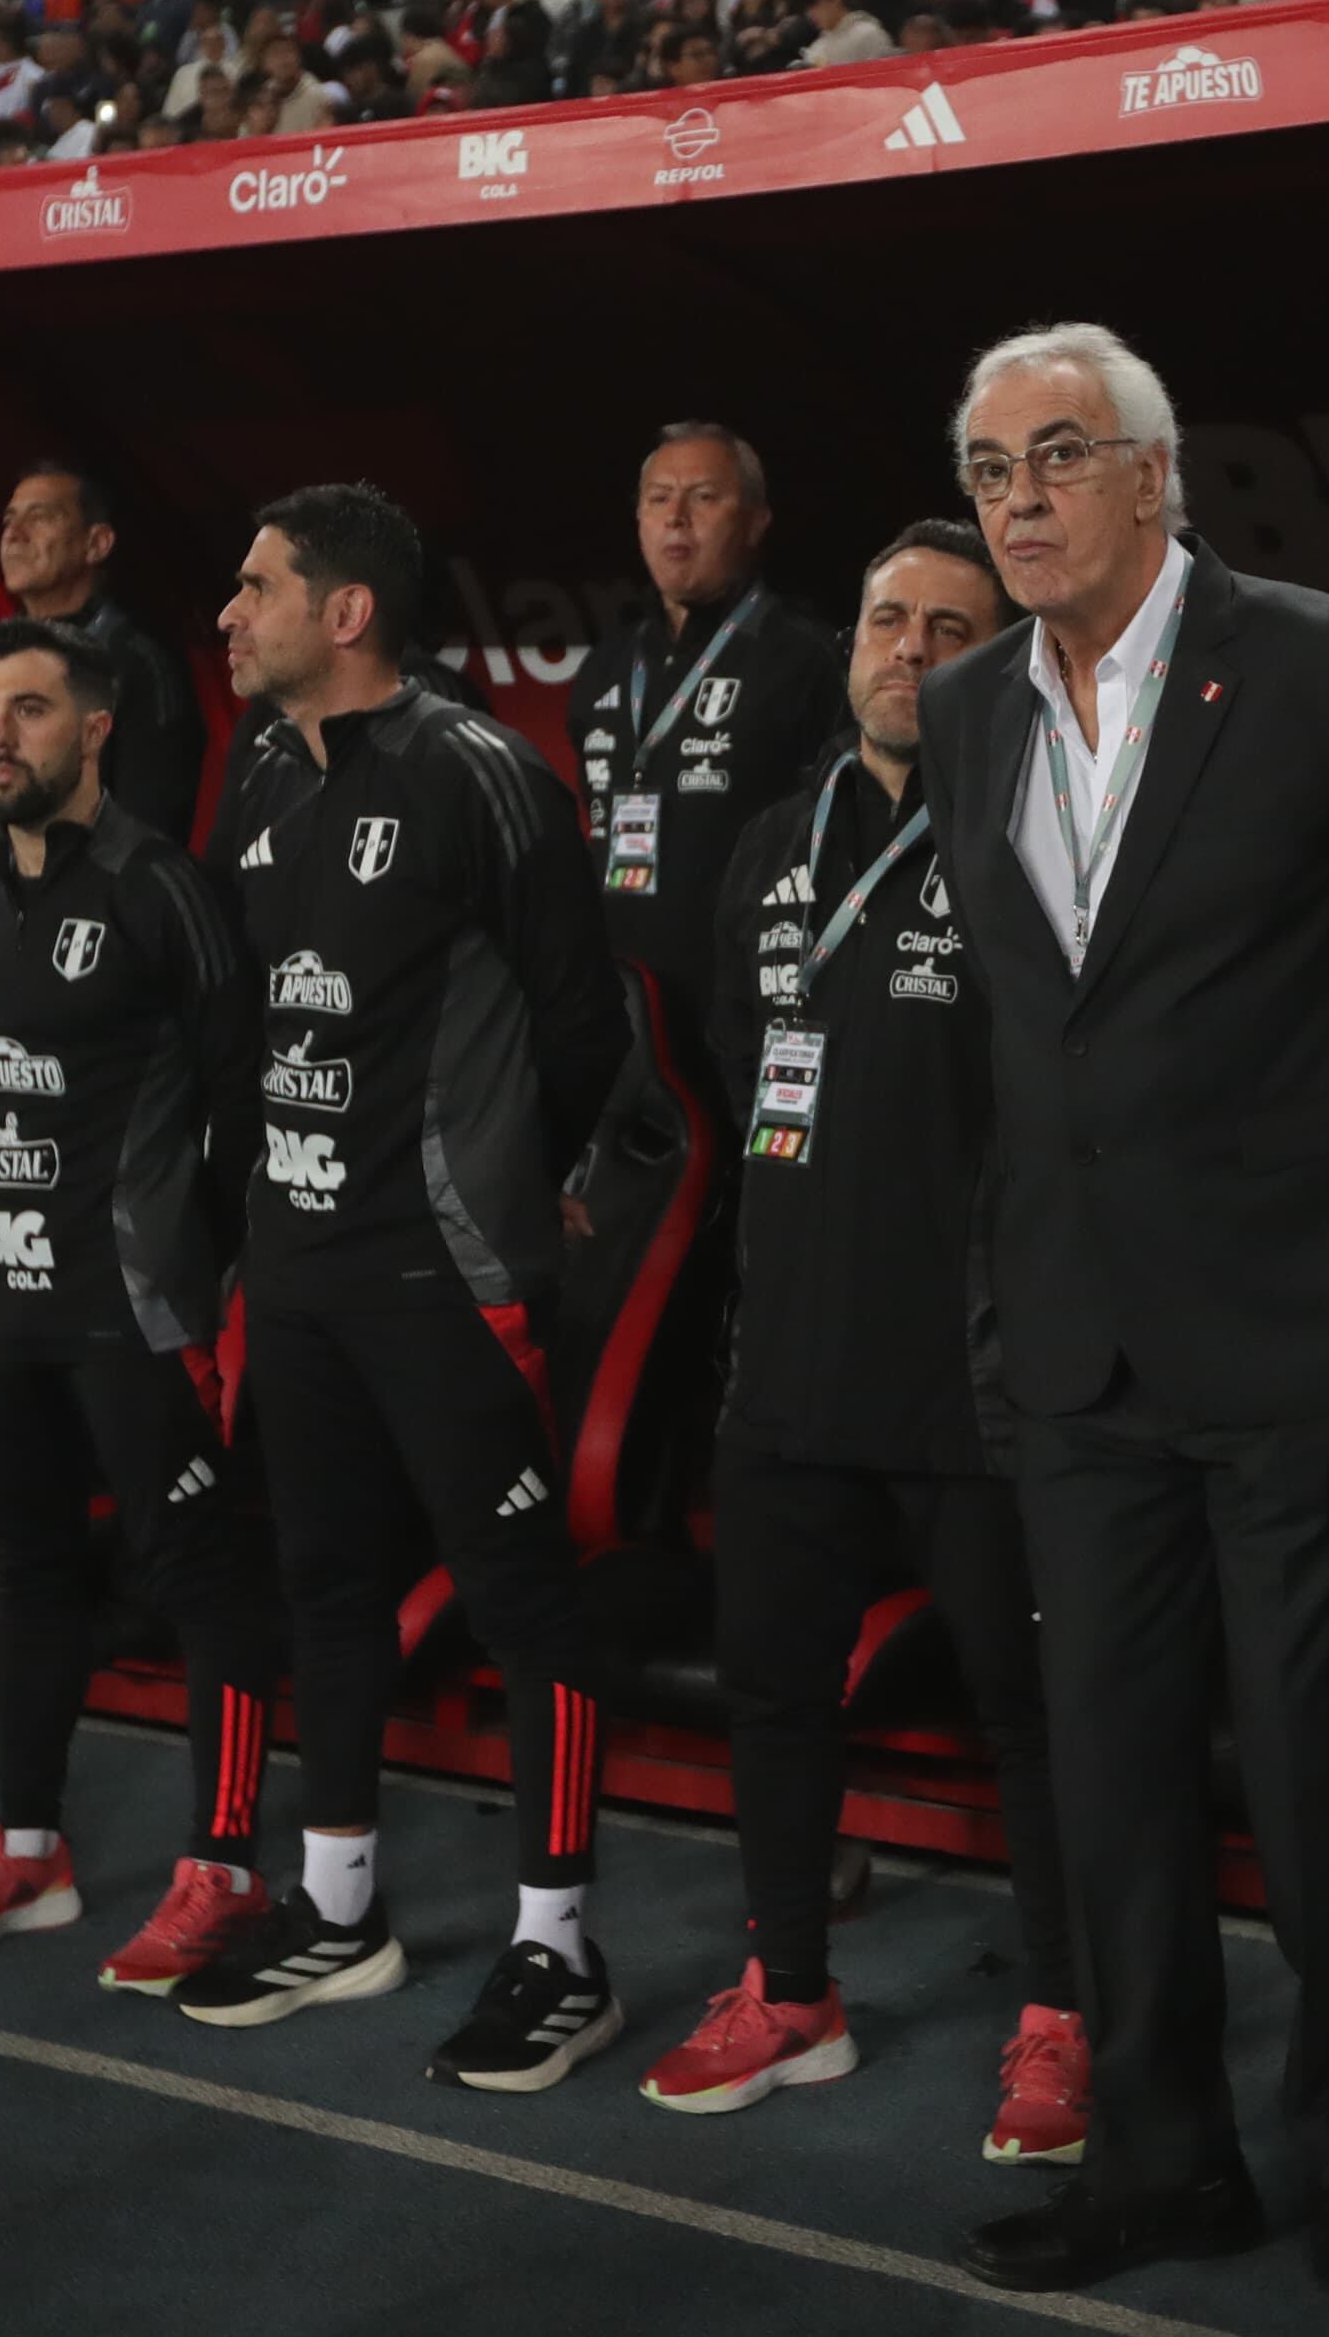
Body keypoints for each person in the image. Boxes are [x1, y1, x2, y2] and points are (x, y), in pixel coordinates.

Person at [917, 325, 1329, 2300]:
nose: (1018, 495)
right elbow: (1022, 1036)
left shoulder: (1327, 664)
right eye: (988, 463)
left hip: (1295, 1336)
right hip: (1078, 1352)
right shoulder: (973, 708)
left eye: (1057, 453)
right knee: (1110, 1776)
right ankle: (1167, 2155)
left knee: (1317, 1762)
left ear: (1155, 474)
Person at [637, 520, 1086, 2163]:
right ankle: (793, 1990)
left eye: (947, 624)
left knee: (1032, 1714)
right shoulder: (769, 844)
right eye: (886, 617)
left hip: (982, 1375)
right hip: (792, 1369)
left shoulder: (1049, 834)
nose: (906, 646)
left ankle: (1063, 2015)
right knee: (774, 1698)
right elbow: (740, 1058)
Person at [183, 483, 638, 2092]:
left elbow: (589, 1031)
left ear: (348, 611)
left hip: (444, 1271)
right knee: (323, 1582)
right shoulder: (251, 772)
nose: (231, 616)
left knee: (524, 1607)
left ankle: (561, 1943)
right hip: (294, 1264)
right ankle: (339, 1903)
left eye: (256, 587)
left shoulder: (482, 775)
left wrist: (510, 1192)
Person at [0, 618, 289, 2001]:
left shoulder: (161, 887)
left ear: (96, 728)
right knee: (30, 1567)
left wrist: (213, 1277)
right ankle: (29, 1850)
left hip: (135, 1308)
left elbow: (243, 1093)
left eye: (31, 710)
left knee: (199, 1578)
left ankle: (223, 1865)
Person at [565, 424, 847, 1070]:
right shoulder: (607, 666)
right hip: (624, 1012)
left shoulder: (804, 660)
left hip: (746, 1013)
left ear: (755, 521)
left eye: (703, 497)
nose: (677, 517)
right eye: (659, 498)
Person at [0, 464, 206, 966]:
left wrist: (59, 951)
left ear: (97, 543)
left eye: (40, 517)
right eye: (8, 520)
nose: (13, 534)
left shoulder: (135, 664)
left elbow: (149, 830)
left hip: (73, 959)